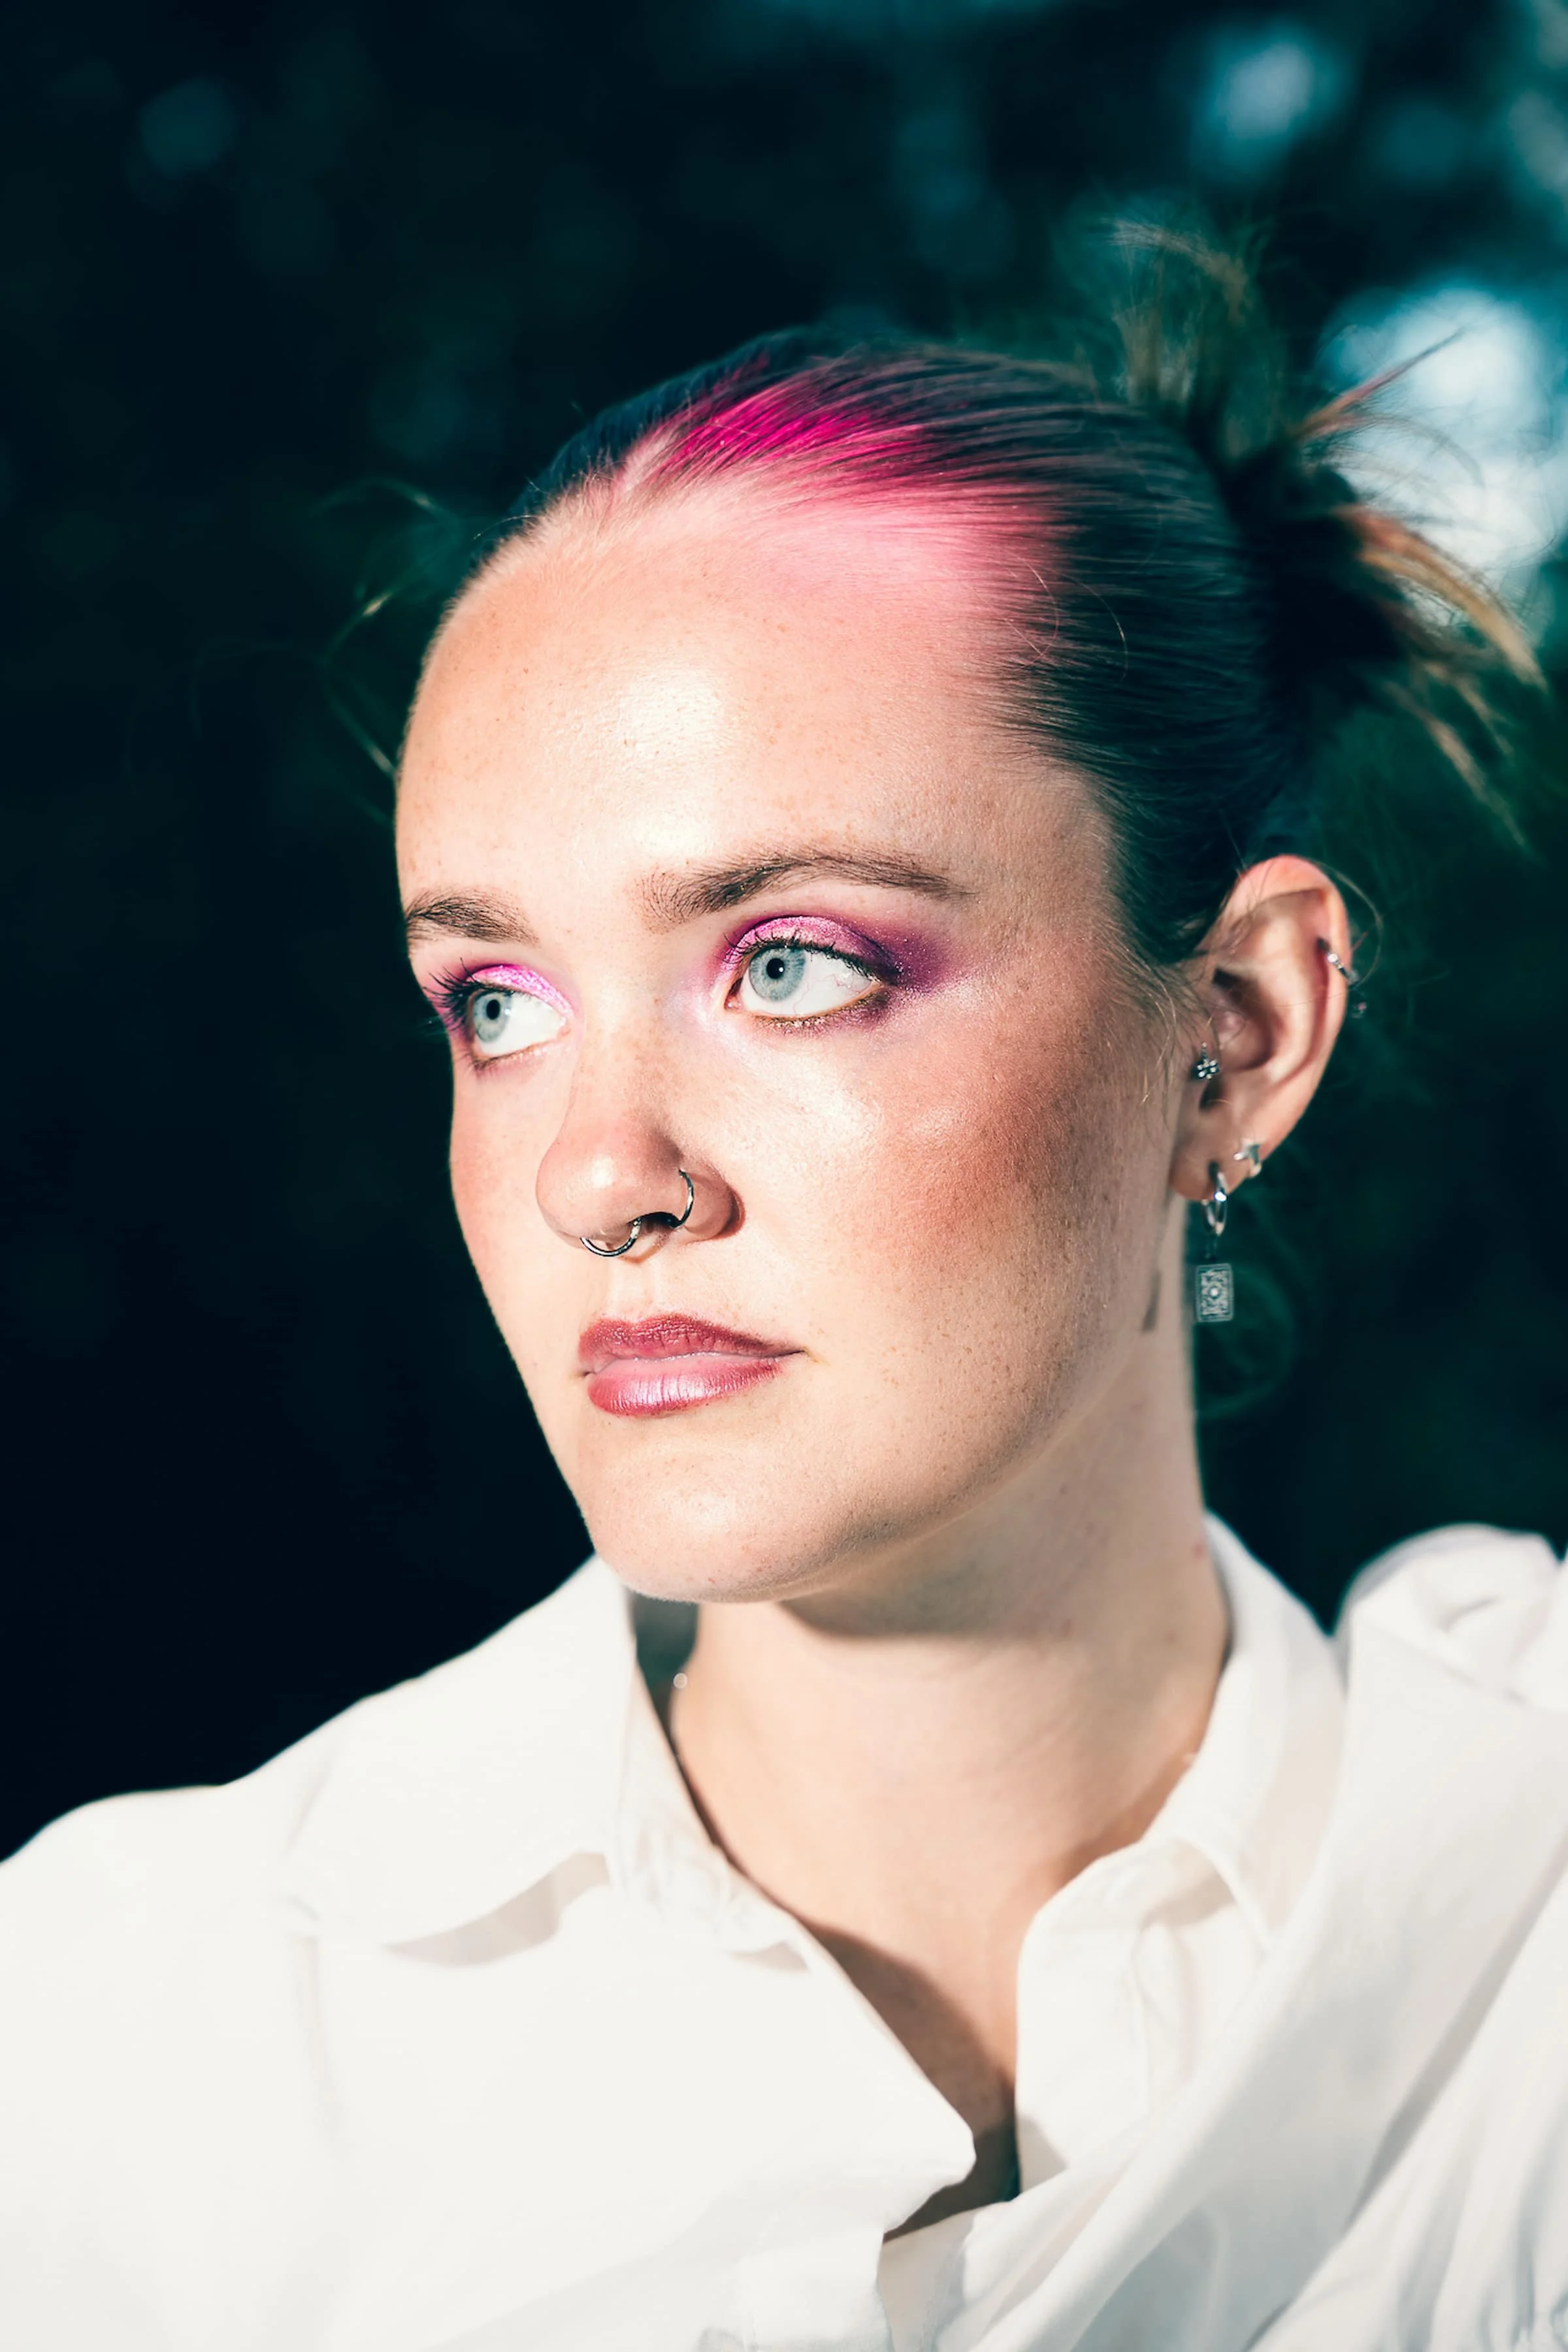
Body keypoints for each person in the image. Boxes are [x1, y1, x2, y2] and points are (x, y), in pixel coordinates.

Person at [3, 240, 1565, 2352]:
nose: (597, 1172)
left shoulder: (1517, 1901)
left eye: (795, 963)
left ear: (1243, 1026)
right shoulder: (118, 2051)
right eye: (496, 1001)